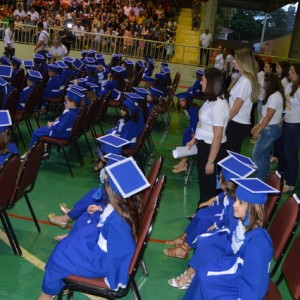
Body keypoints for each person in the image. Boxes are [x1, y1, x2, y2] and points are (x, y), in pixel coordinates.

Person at [37, 157, 149, 300]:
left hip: (102, 260)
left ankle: (46, 294)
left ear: (111, 190)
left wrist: (115, 280)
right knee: (72, 240)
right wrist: (99, 212)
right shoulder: (126, 205)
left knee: (61, 255)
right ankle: (56, 283)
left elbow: (123, 252)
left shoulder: (117, 221)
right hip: (103, 246)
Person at [169, 178, 275, 299]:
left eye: (240, 202)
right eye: (236, 200)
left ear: (252, 209)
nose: (234, 204)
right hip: (236, 264)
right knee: (203, 272)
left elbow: (254, 284)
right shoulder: (243, 223)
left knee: (206, 278)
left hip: (242, 280)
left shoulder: (259, 244)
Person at [187, 68, 229, 204]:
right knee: (205, 184)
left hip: (211, 150)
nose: (200, 83)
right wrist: (195, 139)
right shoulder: (211, 100)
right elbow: (203, 123)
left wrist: (210, 162)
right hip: (204, 147)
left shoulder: (218, 106)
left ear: (210, 82)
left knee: (208, 186)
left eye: (203, 80)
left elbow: (217, 136)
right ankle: (202, 211)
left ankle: (204, 214)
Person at [90, 95, 139, 173]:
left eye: (123, 110)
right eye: (121, 109)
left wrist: (113, 137)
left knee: (111, 144)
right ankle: (103, 159)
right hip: (122, 139)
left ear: (129, 112)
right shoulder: (124, 120)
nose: (121, 111)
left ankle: (103, 163)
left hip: (128, 143)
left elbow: (124, 139)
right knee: (108, 137)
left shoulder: (131, 124)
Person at [251, 73, 284, 181]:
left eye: (265, 81)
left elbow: (269, 116)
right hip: (270, 128)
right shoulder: (273, 95)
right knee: (264, 156)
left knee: (257, 154)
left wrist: (259, 129)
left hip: (270, 129)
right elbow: (265, 115)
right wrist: (257, 126)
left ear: (269, 83)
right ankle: (263, 176)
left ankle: (260, 179)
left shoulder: (275, 96)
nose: (263, 83)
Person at [225, 48, 259, 153]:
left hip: (237, 123)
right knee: (230, 154)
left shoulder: (246, 81)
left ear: (242, 61)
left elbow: (236, 109)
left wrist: (223, 121)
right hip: (236, 122)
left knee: (229, 155)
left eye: (236, 59)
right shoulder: (242, 78)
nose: (233, 61)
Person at [280, 63, 300, 193]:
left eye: (293, 72)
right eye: (290, 71)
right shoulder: (289, 85)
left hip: (296, 124)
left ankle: (291, 182)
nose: (289, 73)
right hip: (287, 121)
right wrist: (282, 119)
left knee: (291, 154)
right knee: (285, 151)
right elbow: (287, 105)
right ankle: (286, 176)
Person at [172, 92, 199, 173]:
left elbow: (196, 122)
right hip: (195, 127)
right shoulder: (187, 108)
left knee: (187, 135)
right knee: (186, 132)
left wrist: (194, 134)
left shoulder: (192, 109)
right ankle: (183, 161)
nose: (181, 102)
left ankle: (183, 164)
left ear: (187, 101)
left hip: (200, 130)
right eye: (180, 101)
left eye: (183, 100)